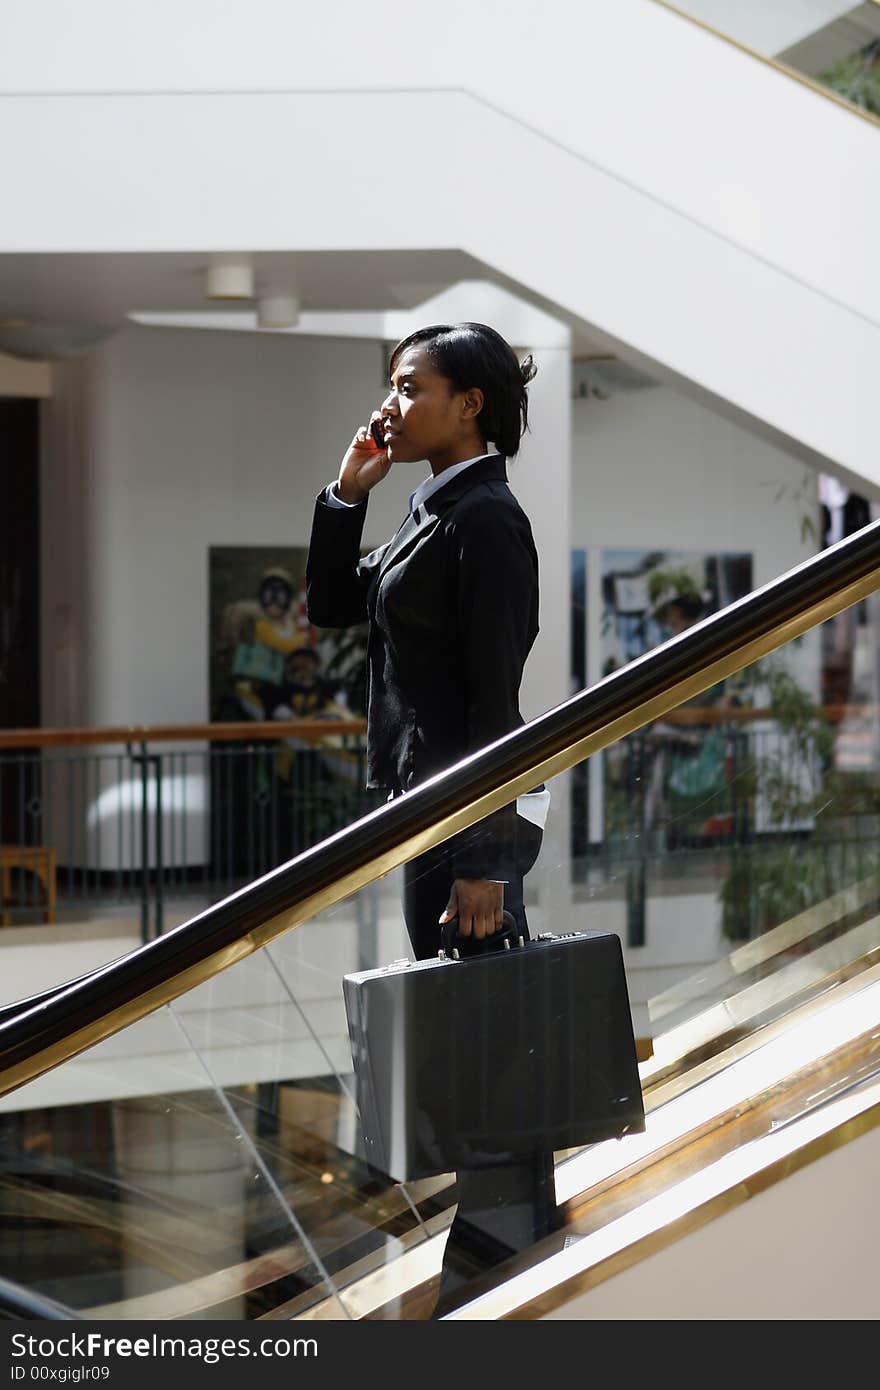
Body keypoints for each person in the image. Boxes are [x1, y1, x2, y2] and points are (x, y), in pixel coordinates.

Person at [305, 320, 558, 1316]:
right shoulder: (428, 511)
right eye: (392, 386)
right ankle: (498, 1231)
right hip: (424, 817)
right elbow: (333, 606)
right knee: (469, 1027)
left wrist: (488, 863)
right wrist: (346, 494)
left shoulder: (487, 521)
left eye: (412, 387)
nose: (392, 404)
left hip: (459, 828)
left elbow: (499, 703)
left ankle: (505, 1242)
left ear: (470, 404)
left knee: (483, 1027)